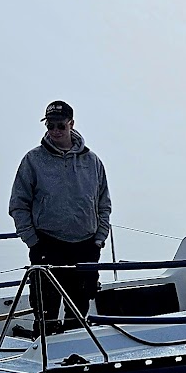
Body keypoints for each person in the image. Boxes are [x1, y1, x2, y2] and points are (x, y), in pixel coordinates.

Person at [9, 100, 112, 332]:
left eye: (60, 126)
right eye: (50, 126)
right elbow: (18, 204)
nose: (55, 131)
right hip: (47, 245)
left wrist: (99, 238)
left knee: (79, 308)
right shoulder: (32, 160)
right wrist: (32, 241)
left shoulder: (93, 161)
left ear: (71, 124)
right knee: (46, 310)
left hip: (86, 246)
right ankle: (43, 354)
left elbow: (103, 203)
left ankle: (74, 355)